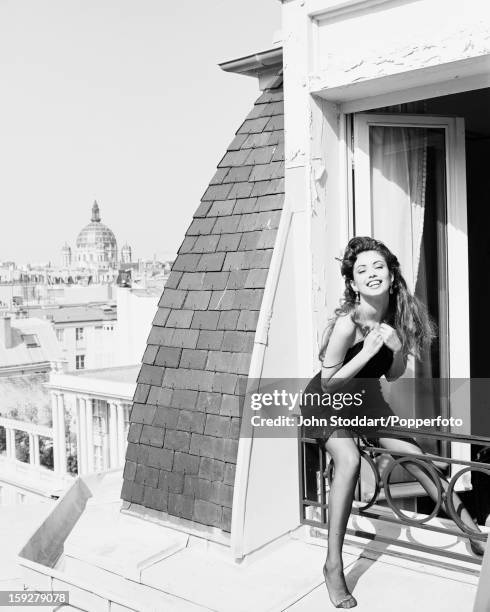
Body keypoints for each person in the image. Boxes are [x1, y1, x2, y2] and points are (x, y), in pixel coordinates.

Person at [300, 236, 485, 609]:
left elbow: (394, 374)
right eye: (361, 270)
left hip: (366, 400)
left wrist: (397, 350)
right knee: (349, 460)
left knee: (417, 457)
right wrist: (367, 350)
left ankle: (470, 529)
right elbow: (328, 381)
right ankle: (333, 566)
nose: (371, 274)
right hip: (326, 403)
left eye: (377, 266)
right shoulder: (345, 325)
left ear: (391, 273)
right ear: (352, 284)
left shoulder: (395, 315)